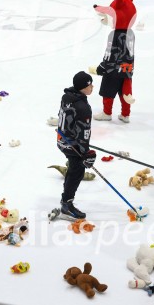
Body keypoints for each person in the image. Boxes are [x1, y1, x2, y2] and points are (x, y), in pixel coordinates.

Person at [50, 71, 96, 221]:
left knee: (74, 167)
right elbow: (83, 133)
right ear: (82, 88)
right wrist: (86, 153)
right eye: (89, 85)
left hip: (62, 139)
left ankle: (66, 196)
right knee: (77, 171)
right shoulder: (83, 108)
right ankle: (66, 204)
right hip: (73, 145)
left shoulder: (67, 96)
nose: (92, 87)